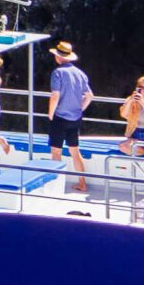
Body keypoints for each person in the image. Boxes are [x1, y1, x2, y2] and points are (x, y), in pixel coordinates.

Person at [48, 42, 92, 192]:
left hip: (60, 118)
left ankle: (56, 187)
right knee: (75, 151)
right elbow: (89, 96)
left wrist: (51, 113)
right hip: (75, 118)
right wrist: (80, 108)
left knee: (56, 152)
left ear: (58, 57)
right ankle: (82, 183)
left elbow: (55, 95)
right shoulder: (80, 74)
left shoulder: (58, 72)